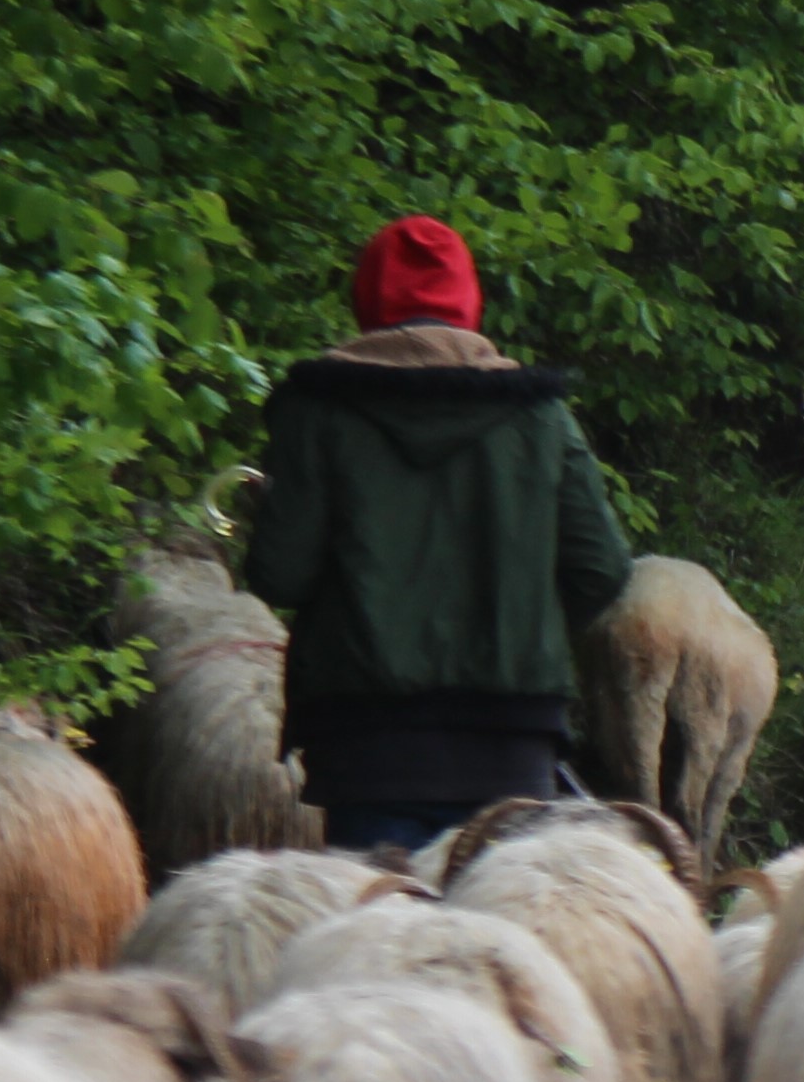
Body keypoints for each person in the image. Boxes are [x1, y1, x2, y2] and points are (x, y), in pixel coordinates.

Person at [243, 216, 632, 858]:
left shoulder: (316, 412)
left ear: (367, 300)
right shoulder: (539, 416)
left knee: (383, 944)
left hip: (366, 751)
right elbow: (603, 571)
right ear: (470, 303)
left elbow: (278, 575)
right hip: (510, 749)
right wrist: (526, 623)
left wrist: (270, 508)